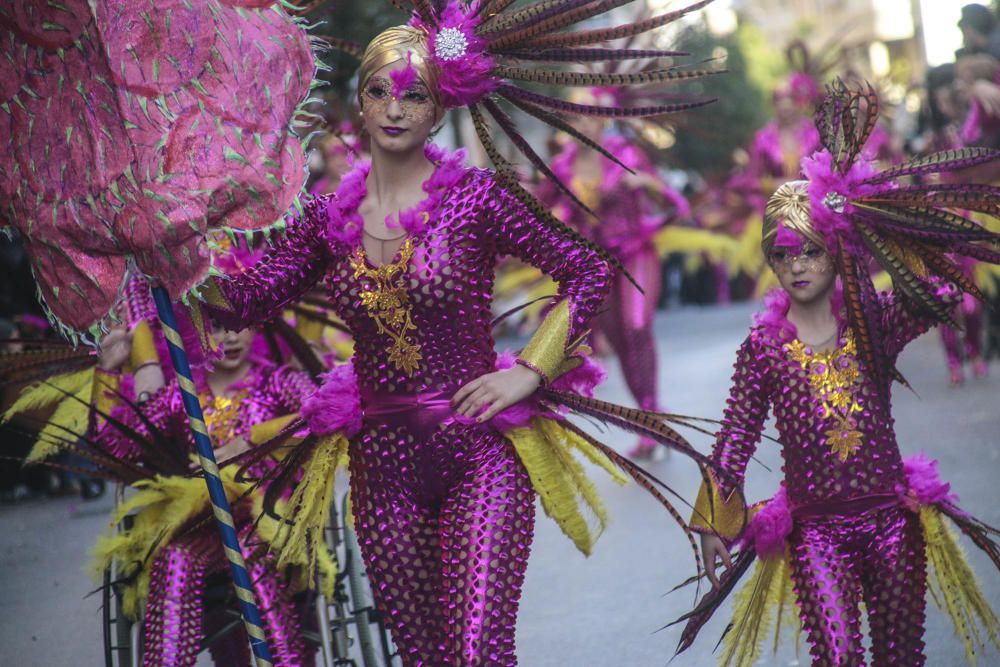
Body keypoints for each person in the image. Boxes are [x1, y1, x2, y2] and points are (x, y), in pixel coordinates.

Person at [199, 4, 722, 662]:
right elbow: (243, 301)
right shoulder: (326, 217)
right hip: (382, 467)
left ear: (437, 110)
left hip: (479, 451)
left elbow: (587, 272)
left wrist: (528, 369)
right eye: (379, 91)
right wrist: (181, 237)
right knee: (425, 657)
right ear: (360, 103)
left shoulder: (476, 197)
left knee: (476, 651)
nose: (395, 107)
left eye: (413, 94)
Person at [674, 83, 1000, 667]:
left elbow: (945, 287)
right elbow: (735, 437)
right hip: (815, 535)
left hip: (894, 523)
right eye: (781, 254)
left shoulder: (874, 320)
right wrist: (711, 522)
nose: (795, 264)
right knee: (838, 657)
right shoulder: (765, 347)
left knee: (901, 658)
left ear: (836, 249)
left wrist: (897, 222)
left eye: (810, 250)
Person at [91, 320, 320, 667]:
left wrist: (253, 439)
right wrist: (107, 371)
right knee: (174, 559)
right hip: (202, 525)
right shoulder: (179, 395)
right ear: (193, 333)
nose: (229, 336)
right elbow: (114, 450)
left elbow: (322, 417)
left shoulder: (279, 382)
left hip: (266, 519)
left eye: (238, 325)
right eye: (215, 328)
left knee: (251, 555)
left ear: (256, 328)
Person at [539, 108, 689, 459]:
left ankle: (652, 418)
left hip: (637, 254)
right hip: (596, 267)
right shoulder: (561, 168)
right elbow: (534, 212)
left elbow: (677, 205)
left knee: (636, 327)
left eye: (590, 116)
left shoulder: (628, 156)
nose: (583, 124)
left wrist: (648, 184)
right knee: (621, 342)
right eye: (575, 118)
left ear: (603, 120)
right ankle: (649, 421)